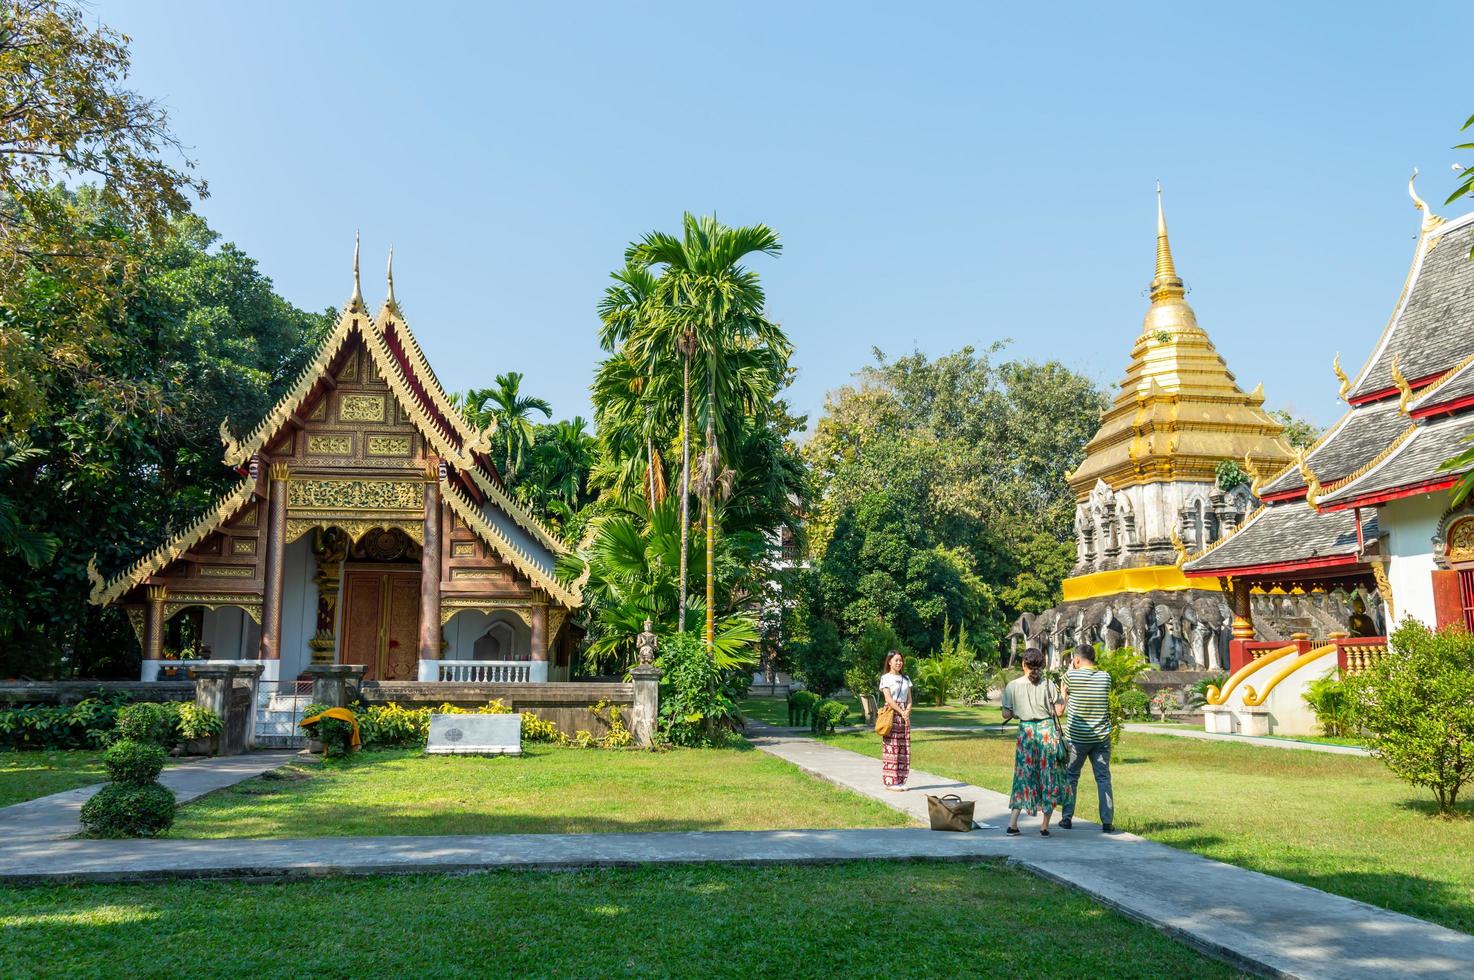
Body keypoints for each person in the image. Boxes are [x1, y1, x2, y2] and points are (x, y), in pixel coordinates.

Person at [1000, 647, 1072, 836]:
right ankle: (1045, 826)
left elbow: (1006, 713)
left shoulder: (1012, 686)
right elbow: (1058, 712)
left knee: (1023, 776)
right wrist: (1064, 695)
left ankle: (1013, 824)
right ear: (1041, 665)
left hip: (1027, 734)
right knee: (1048, 776)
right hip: (1047, 732)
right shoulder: (1048, 684)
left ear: (1023, 664)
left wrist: (1018, 712)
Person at [1059, 643, 1116, 833]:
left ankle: (1066, 818)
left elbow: (1063, 694)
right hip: (1101, 737)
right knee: (1103, 778)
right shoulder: (1105, 677)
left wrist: (1069, 671)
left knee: (1071, 777)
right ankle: (1107, 822)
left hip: (1077, 737)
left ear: (1076, 660)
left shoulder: (1070, 676)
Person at [877, 650, 912, 791]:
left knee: (903, 747)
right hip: (892, 713)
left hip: (904, 715)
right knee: (891, 746)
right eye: (896, 660)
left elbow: (909, 698)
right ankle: (890, 781)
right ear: (890, 662)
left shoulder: (906, 678)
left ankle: (900, 779)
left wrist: (907, 710)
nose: (899, 662)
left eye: (900, 660)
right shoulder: (886, 678)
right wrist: (901, 711)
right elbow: (888, 699)